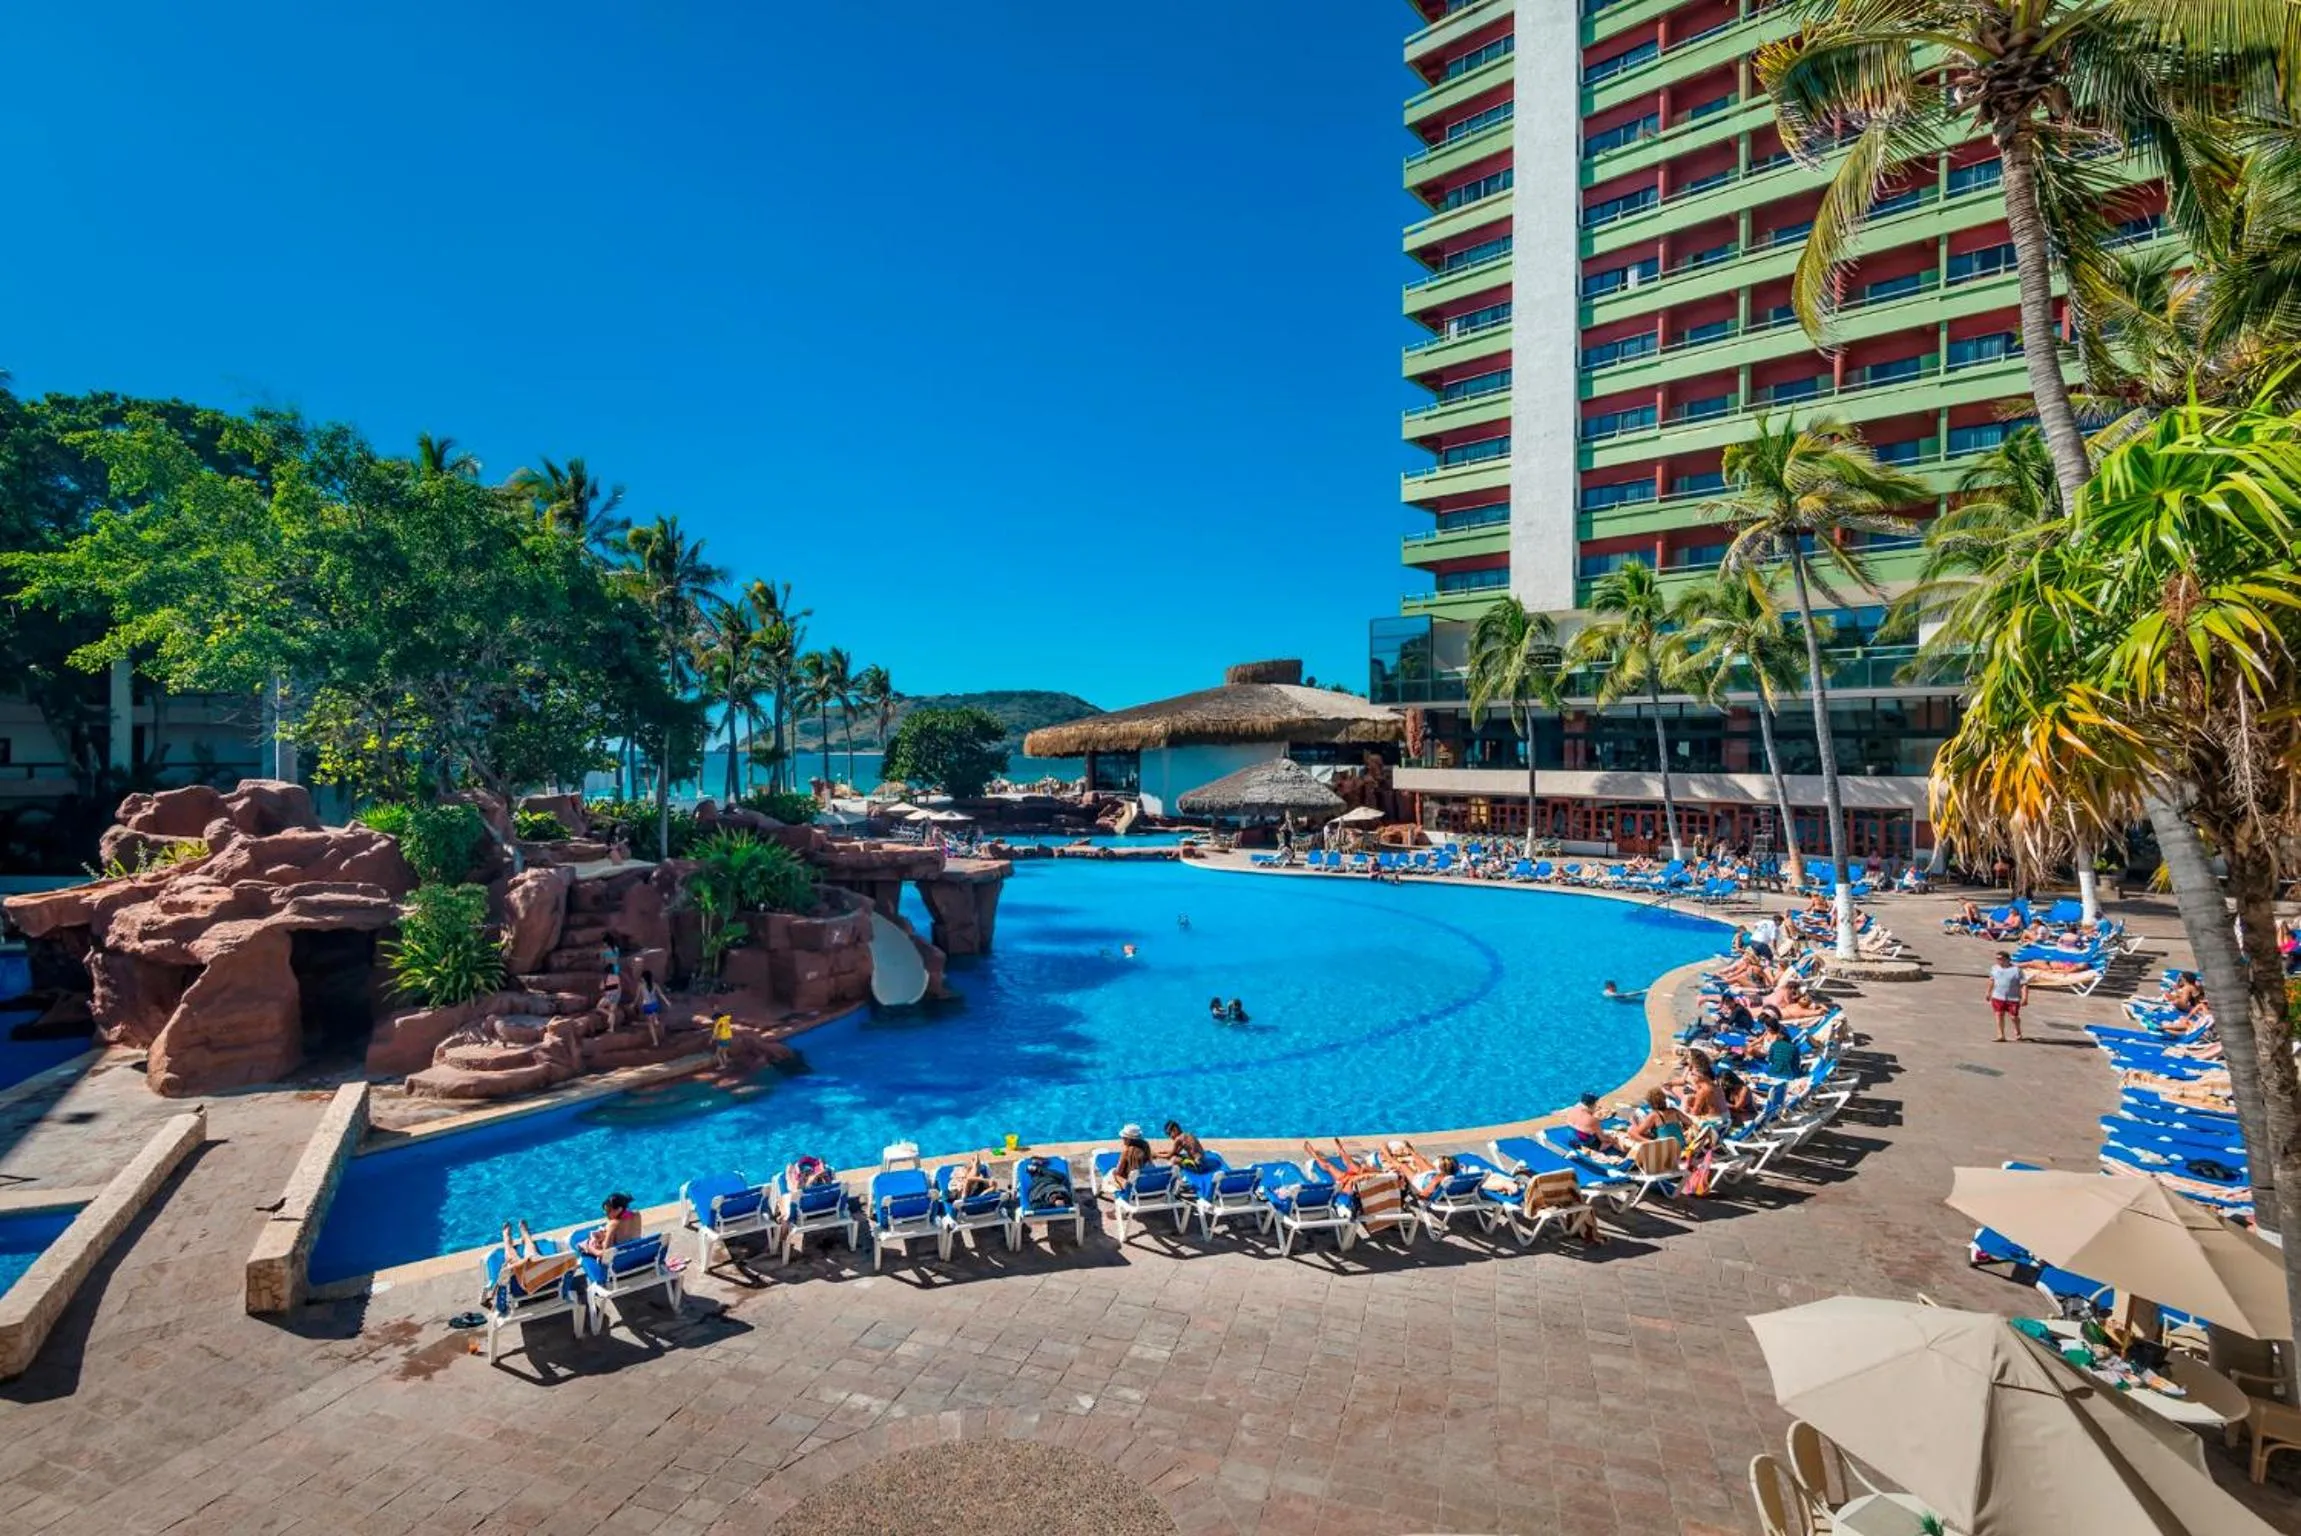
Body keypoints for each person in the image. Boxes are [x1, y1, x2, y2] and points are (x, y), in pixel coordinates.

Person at [496, 1219, 582, 1292]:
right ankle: (526, 1236)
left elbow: (502, 1282)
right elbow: (573, 1263)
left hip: (524, 1286)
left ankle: (508, 1240)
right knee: (532, 1255)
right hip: (549, 1283)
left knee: (511, 1256)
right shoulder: (568, 1260)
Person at [578, 1193, 642, 1257]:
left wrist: (589, 1248)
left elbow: (606, 1254)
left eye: (608, 1211)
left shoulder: (613, 1224)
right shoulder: (637, 1215)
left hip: (619, 1257)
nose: (606, 1214)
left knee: (584, 1244)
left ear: (619, 1209)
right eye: (605, 1211)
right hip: (635, 1251)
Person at [1987, 951, 2029, 1042]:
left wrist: (2025, 997)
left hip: (2013, 998)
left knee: (2013, 1017)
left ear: (2007, 959)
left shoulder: (2016, 970)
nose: (1998, 961)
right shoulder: (1994, 968)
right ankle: (2001, 1035)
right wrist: (1988, 992)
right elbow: (1991, 980)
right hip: (1998, 996)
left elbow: (2024, 984)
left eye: (2000, 959)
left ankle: (2018, 1032)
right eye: (1997, 959)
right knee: (1999, 1014)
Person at [1103, 1124, 1154, 1193]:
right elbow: (1151, 1164)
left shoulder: (1127, 1151)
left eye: (1123, 1137)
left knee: (1113, 1174)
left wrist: (1113, 1172)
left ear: (1128, 1139)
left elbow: (1118, 1172)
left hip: (1133, 1188)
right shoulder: (1146, 1146)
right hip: (1147, 1183)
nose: (1122, 1138)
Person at [636, 968, 666, 1046]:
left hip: (647, 1005)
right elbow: (661, 994)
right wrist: (667, 1002)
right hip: (655, 1004)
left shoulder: (640, 985)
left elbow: (637, 996)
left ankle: (655, 1042)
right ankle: (655, 1018)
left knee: (650, 1025)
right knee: (654, 1014)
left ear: (644, 978)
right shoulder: (655, 984)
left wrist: (633, 1003)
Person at [599, 963, 625, 1031]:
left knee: (599, 1007)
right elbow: (619, 988)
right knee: (612, 1011)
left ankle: (609, 1014)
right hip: (616, 996)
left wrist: (605, 990)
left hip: (608, 996)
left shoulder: (605, 977)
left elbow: (601, 988)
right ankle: (611, 1028)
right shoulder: (617, 977)